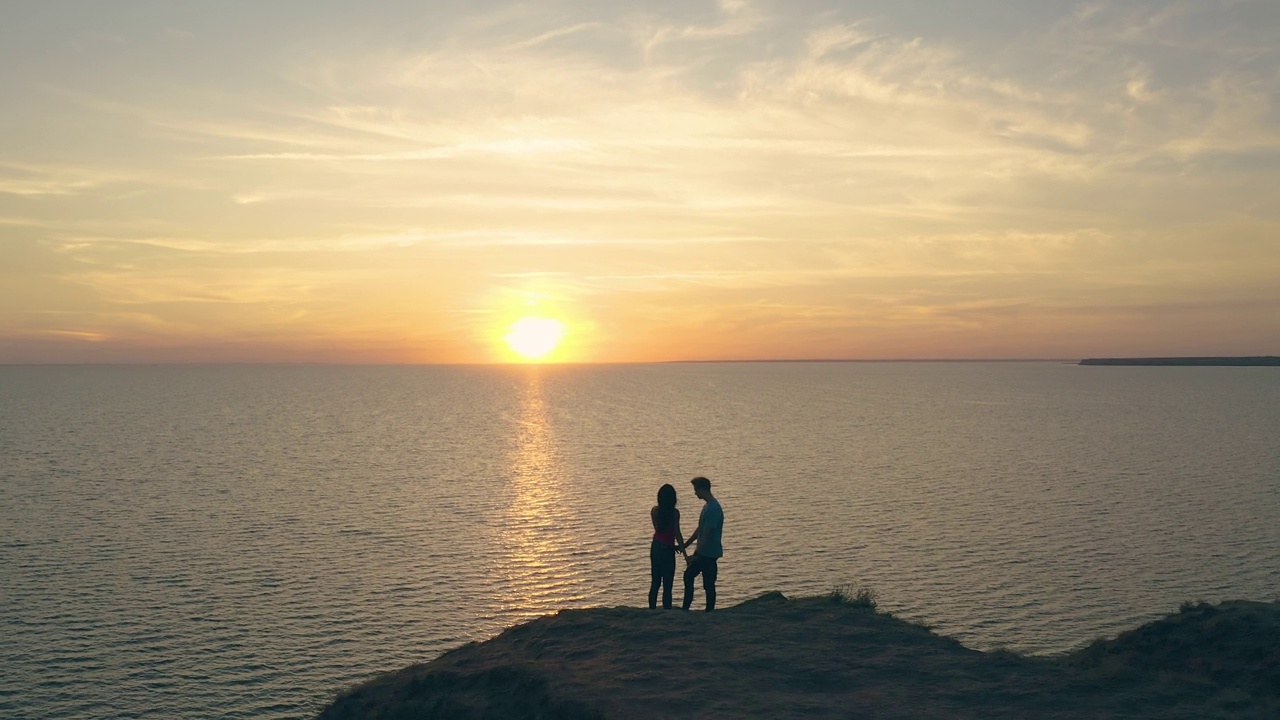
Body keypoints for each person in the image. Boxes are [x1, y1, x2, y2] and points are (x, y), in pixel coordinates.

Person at [679, 476, 723, 611]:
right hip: (706, 552)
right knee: (704, 581)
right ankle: (704, 609)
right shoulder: (707, 507)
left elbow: (707, 534)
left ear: (702, 489)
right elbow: (700, 529)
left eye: (696, 489)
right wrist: (686, 545)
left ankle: (693, 608)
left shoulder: (713, 509)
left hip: (708, 553)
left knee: (700, 580)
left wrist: (696, 554)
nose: (695, 493)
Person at [649, 483, 686, 609]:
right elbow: (676, 532)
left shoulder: (654, 511)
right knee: (668, 584)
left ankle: (652, 609)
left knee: (655, 582)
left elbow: (659, 531)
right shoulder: (674, 513)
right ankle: (667, 610)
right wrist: (683, 552)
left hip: (656, 547)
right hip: (667, 550)